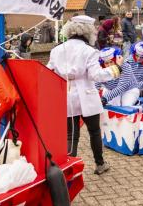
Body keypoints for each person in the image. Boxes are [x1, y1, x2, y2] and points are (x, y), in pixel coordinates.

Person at [47, 15, 123, 175]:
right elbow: (97, 76)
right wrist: (116, 68)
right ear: (88, 31)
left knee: (71, 134)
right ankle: (99, 164)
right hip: (87, 96)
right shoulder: (90, 51)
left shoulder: (56, 50)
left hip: (66, 95)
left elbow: (48, 72)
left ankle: (68, 167)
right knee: (94, 131)